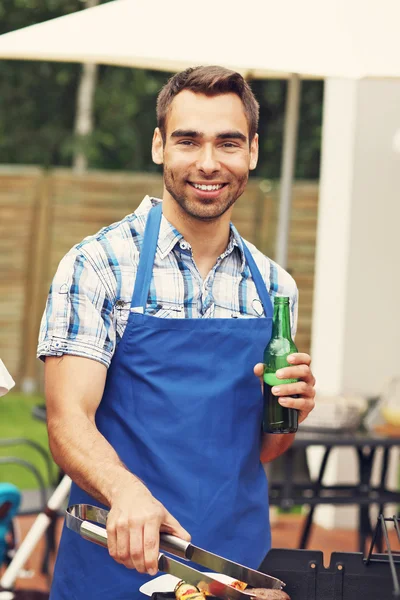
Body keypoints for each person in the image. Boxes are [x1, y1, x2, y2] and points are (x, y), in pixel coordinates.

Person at [37, 65, 316, 600]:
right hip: (116, 561)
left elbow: (259, 450)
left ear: (253, 152)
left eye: (228, 143)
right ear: (159, 146)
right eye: (188, 140)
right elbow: (67, 421)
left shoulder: (275, 287)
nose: (208, 163)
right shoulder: (98, 266)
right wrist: (125, 492)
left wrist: (290, 415)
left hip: (234, 571)